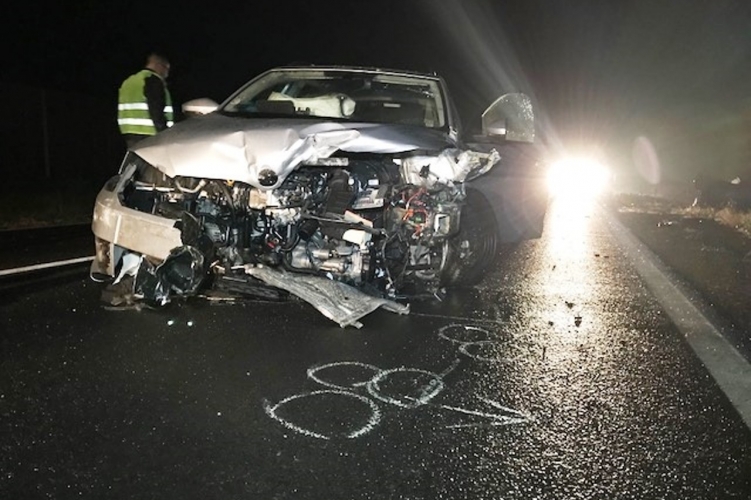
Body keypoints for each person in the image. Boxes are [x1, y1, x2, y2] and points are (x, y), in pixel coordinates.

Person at [117, 52, 174, 149]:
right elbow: (156, 110)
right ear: (159, 65)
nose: (167, 74)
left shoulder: (129, 81)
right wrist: (164, 134)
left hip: (129, 134)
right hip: (151, 135)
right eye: (166, 68)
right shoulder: (152, 80)